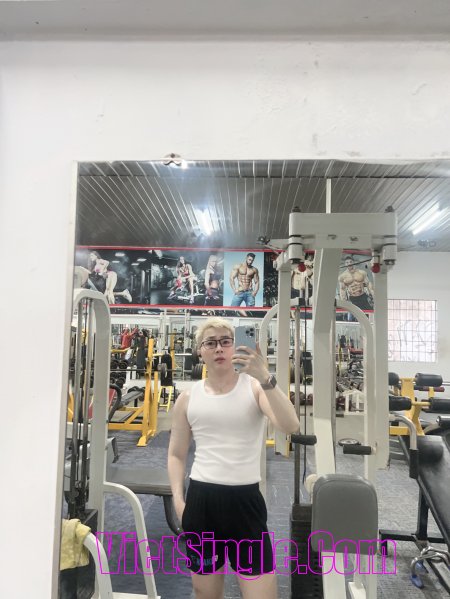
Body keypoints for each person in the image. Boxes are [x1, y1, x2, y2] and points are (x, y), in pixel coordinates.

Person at [168, 317, 300, 599]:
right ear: (200, 352)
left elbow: (291, 426)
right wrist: (179, 501)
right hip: (202, 503)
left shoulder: (255, 388)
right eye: (210, 343)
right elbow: (176, 454)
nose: (219, 348)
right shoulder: (187, 398)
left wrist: (265, 377)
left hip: (245, 504)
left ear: (236, 346)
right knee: (205, 594)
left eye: (226, 342)